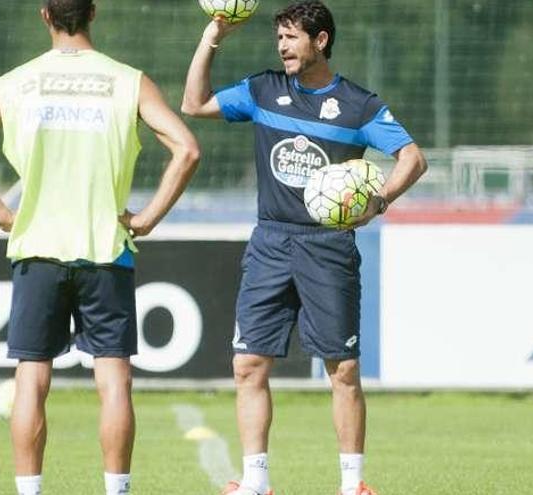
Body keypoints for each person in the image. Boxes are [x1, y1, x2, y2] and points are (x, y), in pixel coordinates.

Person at [0, 1, 201, 493]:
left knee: (31, 381)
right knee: (113, 382)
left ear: (45, 15)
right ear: (94, 13)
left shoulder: (16, 82)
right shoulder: (127, 80)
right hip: (105, 249)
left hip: (37, 248)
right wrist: (146, 217)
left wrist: (1, 212)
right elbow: (187, 148)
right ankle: (117, 491)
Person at [181, 2, 427, 494]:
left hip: (328, 247)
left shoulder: (358, 105)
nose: (283, 47)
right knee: (248, 364)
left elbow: (412, 158)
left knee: (344, 369)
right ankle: (255, 482)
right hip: (270, 241)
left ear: (321, 41)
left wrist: (378, 202)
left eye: (292, 38)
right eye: (279, 39)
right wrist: (215, 34)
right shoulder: (263, 89)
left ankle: (353, 485)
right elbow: (194, 104)